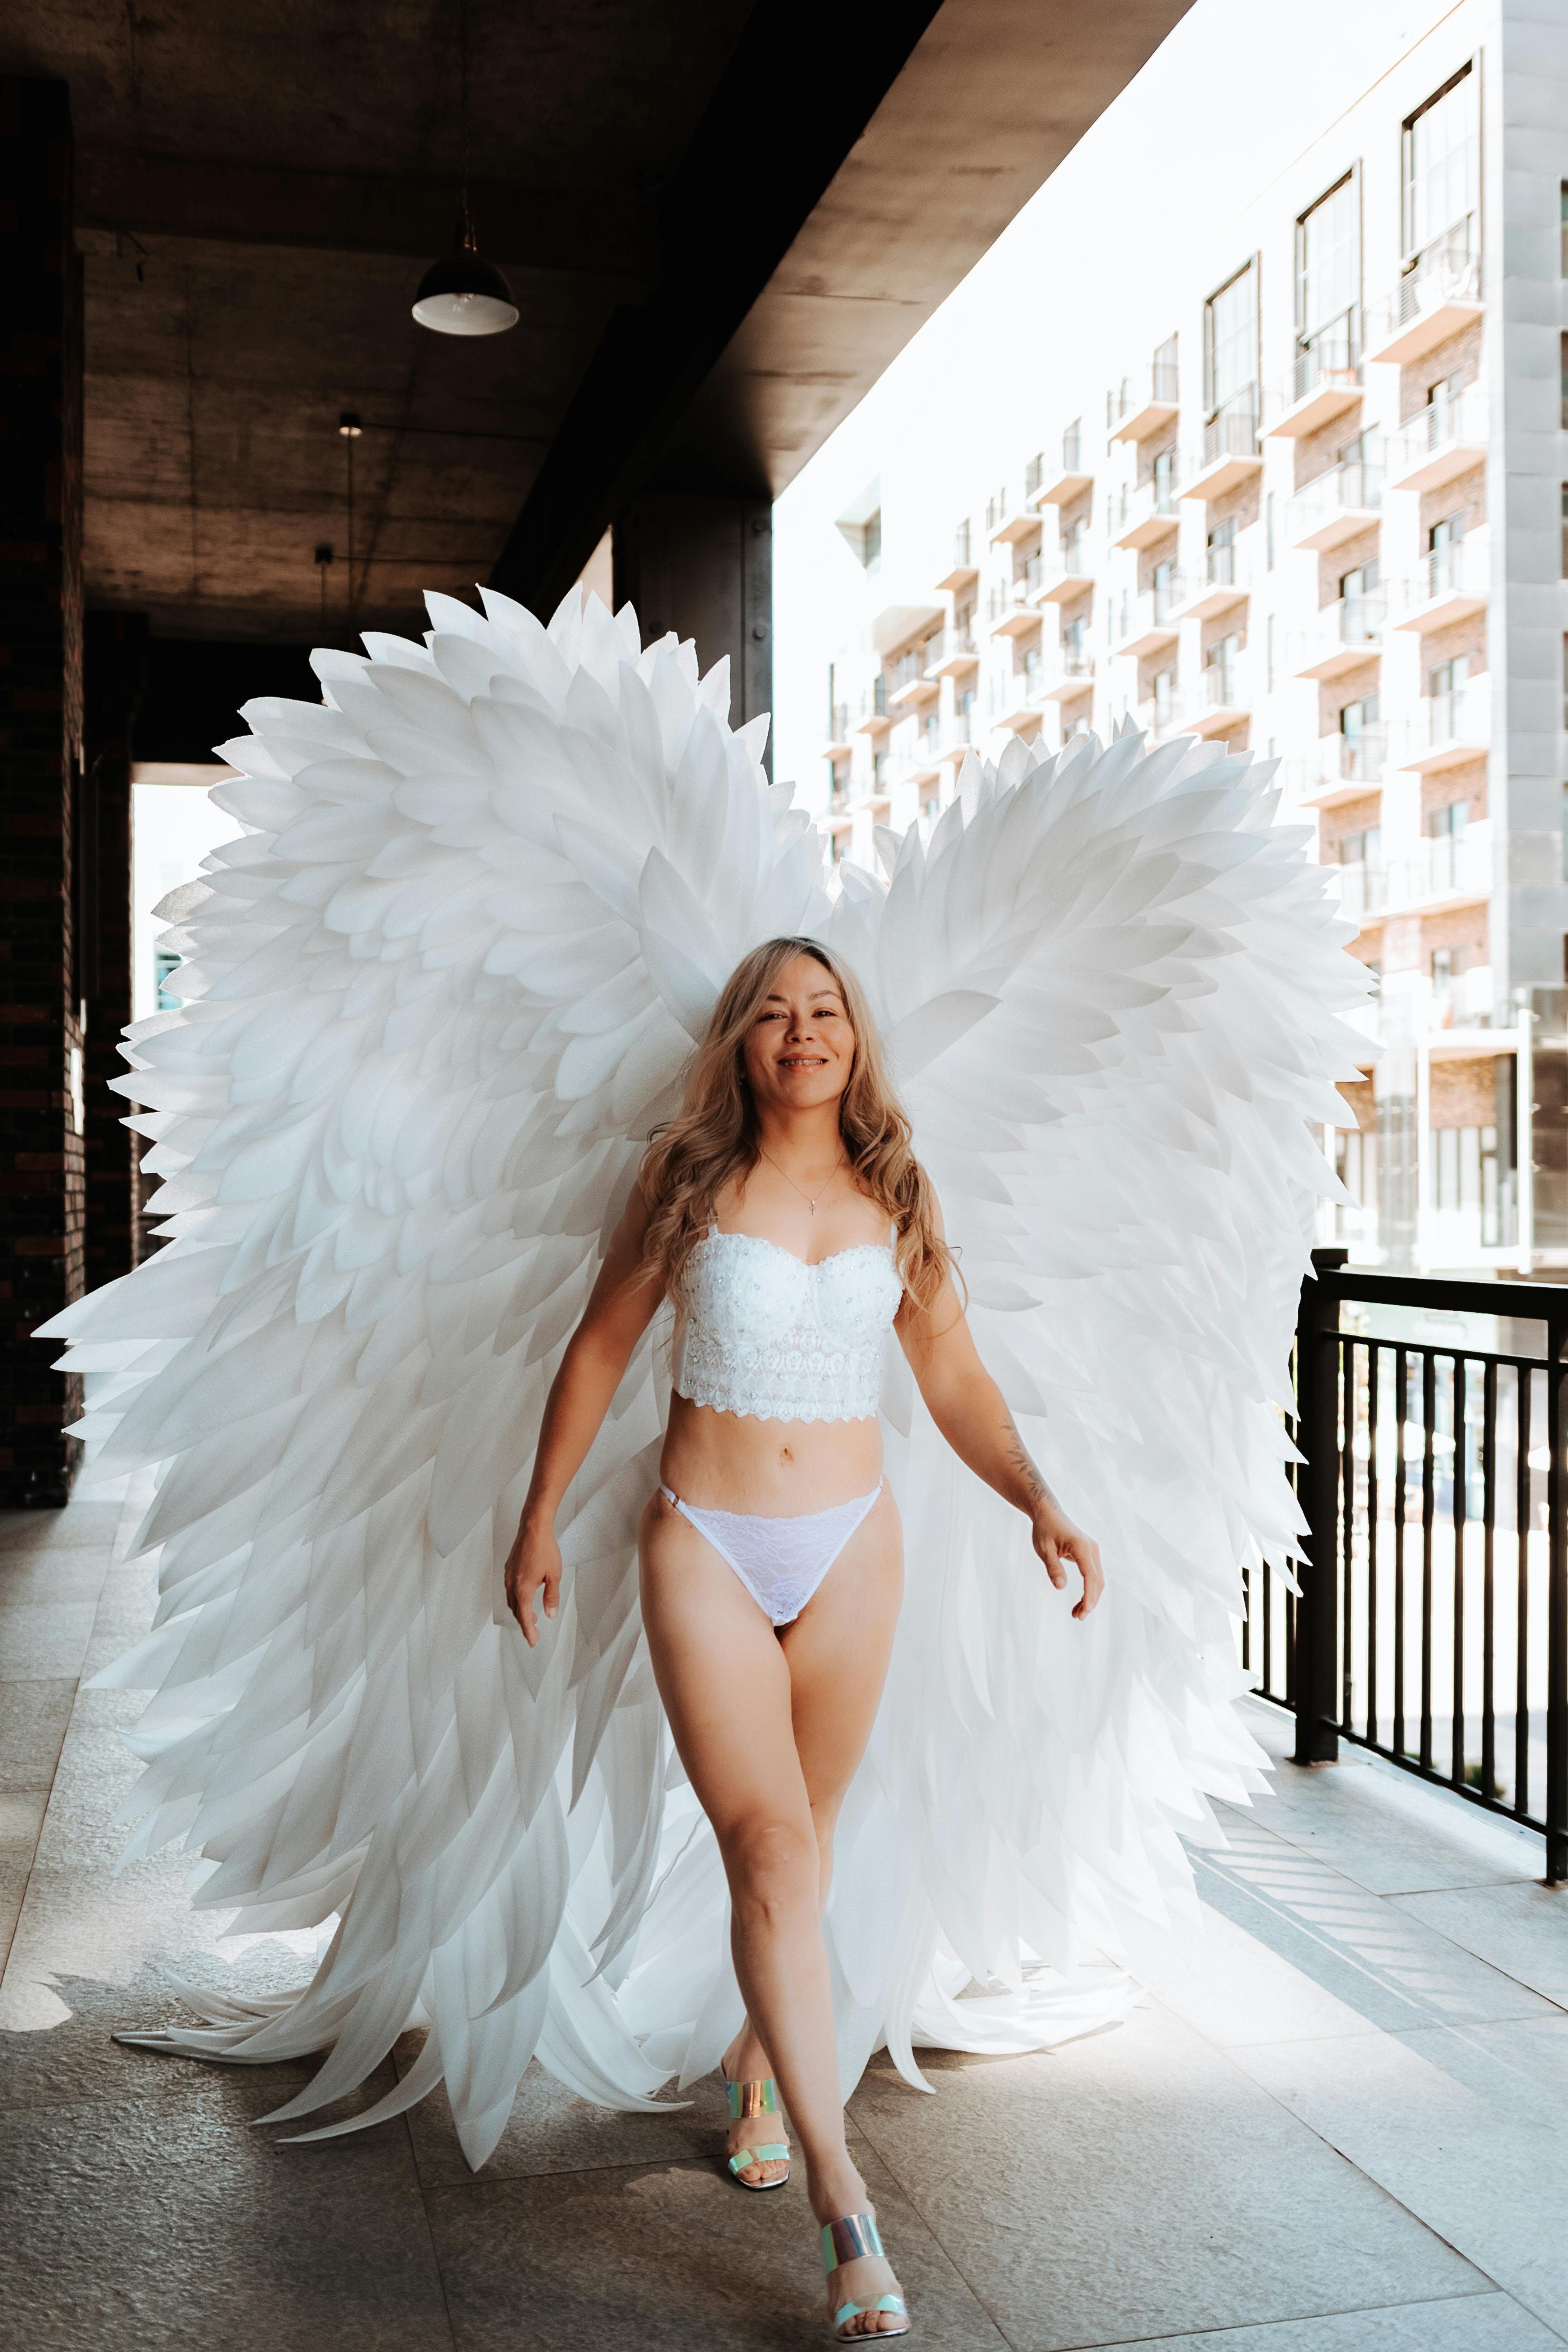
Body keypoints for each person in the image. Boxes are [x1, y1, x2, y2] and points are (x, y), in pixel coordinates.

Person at [503, 933, 1104, 2343]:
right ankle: (847, 2205)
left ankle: (753, 2064)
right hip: (704, 1540)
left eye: (825, 1009)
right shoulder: (684, 1178)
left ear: (856, 1038)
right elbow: (597, 1348)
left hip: (853, 1549)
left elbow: (950, 1372)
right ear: (739, 1041)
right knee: (769, 1849)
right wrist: (535, 1521)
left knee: (810, 1841)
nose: (802, 1031)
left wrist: (1038, 1499)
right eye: (773, 1012)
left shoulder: (895, 1189)